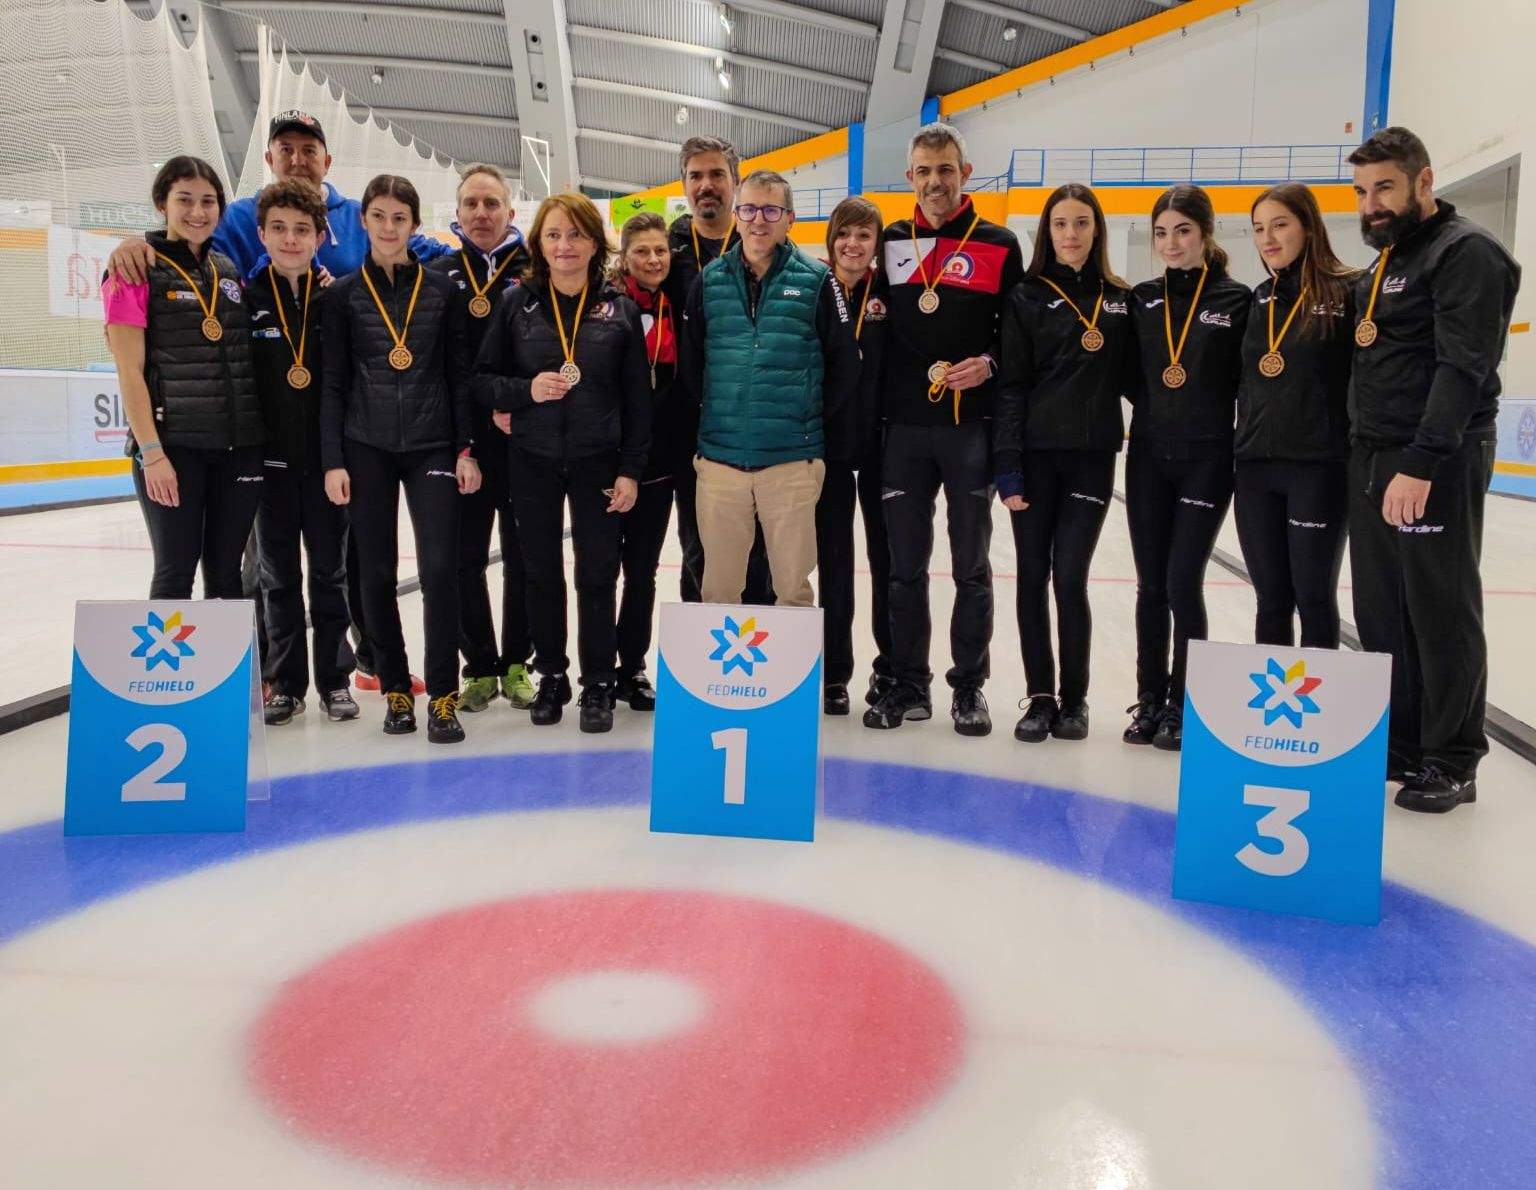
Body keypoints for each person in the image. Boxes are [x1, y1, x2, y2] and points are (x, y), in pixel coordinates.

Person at [108, 110, 452, 698]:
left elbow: (422, 246)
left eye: (309, 148)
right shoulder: (235, 267)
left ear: (326, 161)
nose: (197, 211)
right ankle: (247, 684)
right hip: (239, 449)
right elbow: (137, 361)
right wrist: (135, 240)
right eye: (286, 147)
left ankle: (343, 673)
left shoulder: (287, 269)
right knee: (250, 573)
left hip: (315, 449)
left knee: (326, 570)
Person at [1346, 127, 1520, 812]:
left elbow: (1463, 368)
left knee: (1439, 608)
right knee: (1382, 610)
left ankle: (1452, 756)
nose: (1372, 204)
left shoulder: (1465, 252)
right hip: (1375, 456)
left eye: (1384, 187)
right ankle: (1405, 742)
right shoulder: (1389, 258)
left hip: (1433, 460)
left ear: (1424, 181)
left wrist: (1420, 462)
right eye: (1362, 192)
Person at [864, 122, 1024, 737]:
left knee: (970, 567)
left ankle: (969, 687)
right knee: (904, 567)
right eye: (924, 171)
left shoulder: (1000, 243)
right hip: (903, 432)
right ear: (910, 177)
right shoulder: (890, 243)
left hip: (968, 432)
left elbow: (1018, 340)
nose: (936, 181)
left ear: (965, 172)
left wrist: (989, 364)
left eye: (946, 169)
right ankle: (908, 682)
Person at [473, 193, 651, 733]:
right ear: (539, 244)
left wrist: (630, 471)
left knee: (597, 575)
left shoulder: (619, 307)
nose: (564, 246)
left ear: (595, 243)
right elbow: (482, 381)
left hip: (599, 461)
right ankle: (552, 675)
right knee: (540, 575)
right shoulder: (516, 304)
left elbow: (638, 400)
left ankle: (598, 682)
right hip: (533, 460)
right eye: (553, 235)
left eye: (575, 235)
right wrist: (525, 390)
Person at [321, 174, 479, 743]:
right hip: (366, 447)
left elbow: (458, 375)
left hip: (433, 442)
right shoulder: (339, 296)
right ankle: (393, 688)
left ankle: (442, 695)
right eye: (379, 216)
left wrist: (465, 447)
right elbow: (333, 384)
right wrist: (333, 459)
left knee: (440, 570)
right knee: (377, 573)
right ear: (363, 220)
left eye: (400, 218)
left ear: (414, 226)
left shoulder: (442, 292)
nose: (389, 228)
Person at [680, 170, 859, 610]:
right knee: (719, 591)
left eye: (771, 210)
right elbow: (691, 364)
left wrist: (805, 420)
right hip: (721, 461)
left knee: (792, 591)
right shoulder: (709, 280)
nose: (759, 220)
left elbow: (845, 364)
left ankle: (792, 681)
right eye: (749, 209)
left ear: (790, 219)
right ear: (737, 216)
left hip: (790, 463)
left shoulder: (819, 281)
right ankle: (720, 682)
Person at [994, 183, 1134, 744]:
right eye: (1059, 224)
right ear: (1046, 233)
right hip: (1034, 459)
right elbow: (1011, 386)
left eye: (1081, 223)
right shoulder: (1027, 296)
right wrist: (1007, 465)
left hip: (1092, 461)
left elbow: (1143, 381)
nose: (1071, 234)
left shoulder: (1122, 299)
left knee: (1070, 577)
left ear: (1096, 229)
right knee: (1032, 577)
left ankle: (1075, 699)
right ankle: (1041, 697)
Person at [101, 156, 266, 602]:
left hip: (237, 448)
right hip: (174, 448)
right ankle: (167, 673)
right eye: (185, 200)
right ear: (162, 204)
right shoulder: (133, 270)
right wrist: (152, 453)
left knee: (228, 575)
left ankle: (233, 675)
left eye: (208, 201)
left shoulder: (227, 270)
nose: (198, 211)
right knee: (175, 572)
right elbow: (128, 370)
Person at [1123, 184, 1252, 752]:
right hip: (1149, 455)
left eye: (1182, 231)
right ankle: (1149, 699)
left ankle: (1184, 703)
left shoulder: (1236, 300)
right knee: (1150, 585)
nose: (1170, 243)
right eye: (1160, 233)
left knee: (1182, 582)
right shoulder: (1141, 299)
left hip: (1207, 460)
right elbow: (1128, 375)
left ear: (1204, 234)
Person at [247, 179, 358, 726]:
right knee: (278, 578)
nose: (290, 239)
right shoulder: (244, 299)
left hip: (325, 465)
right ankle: (284, 682)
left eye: (301, 230)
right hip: (269, 466)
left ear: (318, 236)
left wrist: (340, 457)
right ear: (262, 233)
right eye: (279, 229)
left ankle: (335, 679)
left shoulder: (335, 301)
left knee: (330, 576)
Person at [427, 164, 535, 714]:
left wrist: (516, 406)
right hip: (464, 445)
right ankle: (480, 667)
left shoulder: (535, 270)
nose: (481, 214)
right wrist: (460, 439)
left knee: (523, 557)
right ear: (458, 212)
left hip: (521, 439)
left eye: (492, 204)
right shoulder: (438, 273)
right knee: (465, 560)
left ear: (510, 213)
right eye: (471, 204)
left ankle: (519, 662)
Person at [1234, 183, 1357, 653]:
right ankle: (1276, 715)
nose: (1268, 237)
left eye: (1279, 224)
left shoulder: (1349, 291)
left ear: (1308, 226)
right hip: (1255, 470)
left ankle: (1317, 723)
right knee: (1270, 600)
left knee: (1313, 597)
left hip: (1317, 469)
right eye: (1259, 228)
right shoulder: (1258, 298)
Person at [667, 135, 774, 606]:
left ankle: (757, 658)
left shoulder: (762, 243)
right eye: (696, 176)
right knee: (697, 545)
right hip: (688, 423)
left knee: (759, 547)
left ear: (735, 181)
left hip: (754, 421)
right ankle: (700, 664)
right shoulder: (666, 250)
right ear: (685, 183)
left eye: (716, 175)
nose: (706, 185)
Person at [816, 196, 893, 715]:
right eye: (845, 233)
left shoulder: (894, 293)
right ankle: (835, 673)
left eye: (864, 236)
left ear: (877, 245)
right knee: (834, 563)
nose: (852, 244)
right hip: (829, 448)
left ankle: (890, 669)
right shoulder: (816, 291)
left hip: (885, 446)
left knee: (888, 562)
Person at [611, 212, 680, 711]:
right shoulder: (606, 307)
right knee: (597, 571)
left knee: (641, 571)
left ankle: (630, 668)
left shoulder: (677, 304)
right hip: (606, 461)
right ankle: (594, 668)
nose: (654, 260)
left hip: (658, 463)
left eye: (660, 251)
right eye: (642, 252)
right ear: (624, 257)